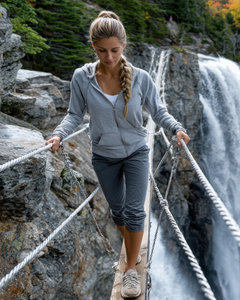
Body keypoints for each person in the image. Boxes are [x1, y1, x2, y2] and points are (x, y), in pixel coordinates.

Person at [45, 10, 190, 298]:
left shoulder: (141, 78)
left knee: (136, 212)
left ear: (123, 46)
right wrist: (59, 133)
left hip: (136, 151)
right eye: (101, 51)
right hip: (103, 155)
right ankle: (133, 248)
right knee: (119, 213)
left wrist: (175, 129)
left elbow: (158, 112)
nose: (108, 57)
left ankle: (131, 270)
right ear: (93, 47)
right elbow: (74, 114)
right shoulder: (81, 78)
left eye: (114, 50)